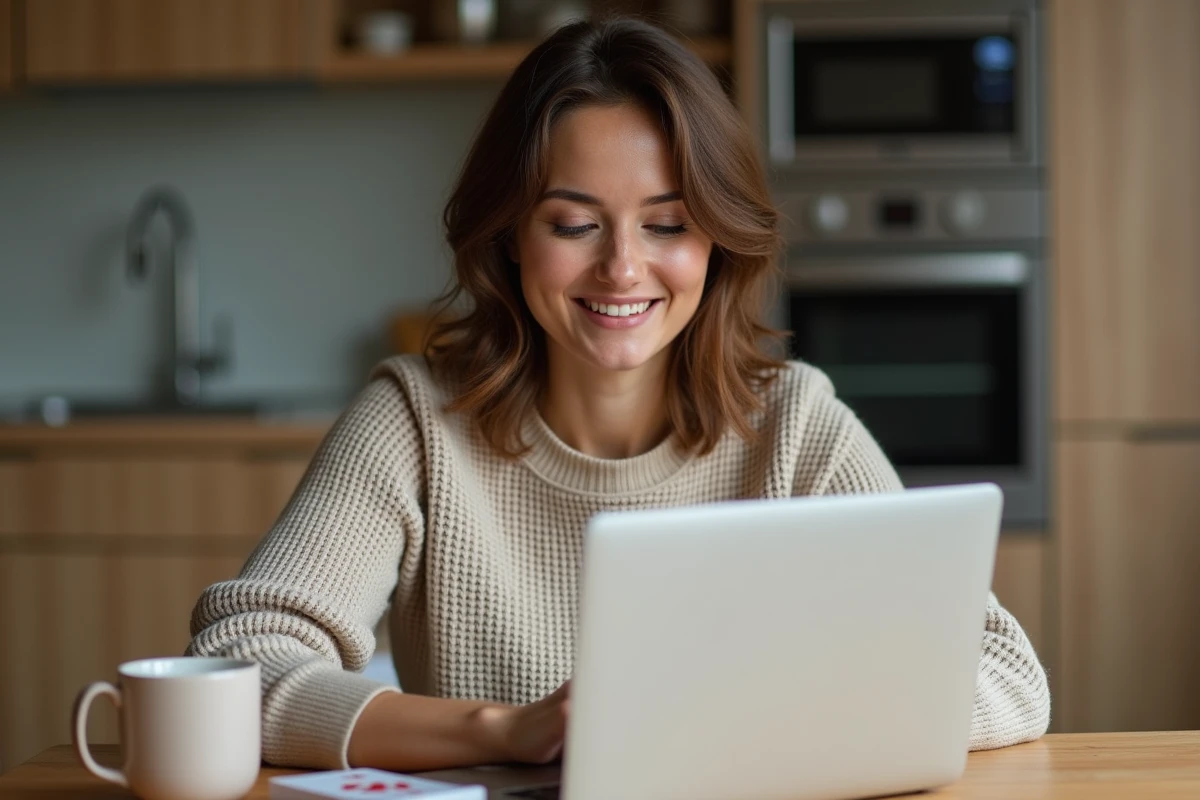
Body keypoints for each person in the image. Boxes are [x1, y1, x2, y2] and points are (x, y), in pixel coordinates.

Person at [186, 16, 1050, 772]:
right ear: (511, 237)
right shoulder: (414, 422)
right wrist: (505, 730)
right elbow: (238, 663)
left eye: (668, 224)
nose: (623, 269)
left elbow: (1005, 676)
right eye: (574, 225)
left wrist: (742, 722)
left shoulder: (796, 427)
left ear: (716, 241)